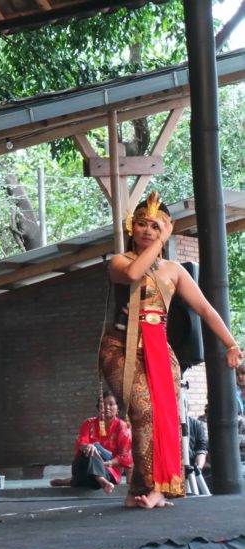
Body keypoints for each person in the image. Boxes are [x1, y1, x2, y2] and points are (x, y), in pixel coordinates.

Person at [98, 191, 242, 510]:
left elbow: (205, 309)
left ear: (166, 228)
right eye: (142, 224)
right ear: (131, 228)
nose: (148, 231)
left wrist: (231, 344)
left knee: (162, 417)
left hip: (159, 351)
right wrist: (161, 243)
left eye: (156, 225)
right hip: (120, 346)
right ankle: (150, 486)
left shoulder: (174, 271)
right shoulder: (119, 262)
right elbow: (135, 275)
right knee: (141, 408)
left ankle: (147, 490)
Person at [50, 391, 132, 493]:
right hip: (84, 464)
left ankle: (68, 481)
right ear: (98, 407)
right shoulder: (88, 423)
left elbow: (126, 457)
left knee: (88, 478)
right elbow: (81, 444)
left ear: (118, 408)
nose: (107, 407)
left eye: (111, 404)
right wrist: (88, 447)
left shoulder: (123, 427)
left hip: (108, 470)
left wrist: (106, 463)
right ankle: (102, 481)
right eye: (103, 404)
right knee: (90, 451)